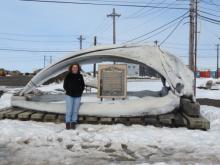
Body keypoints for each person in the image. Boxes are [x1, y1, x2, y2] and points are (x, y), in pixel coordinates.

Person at [63, 63, 85, 130]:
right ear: (71, 68)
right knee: (69, 110)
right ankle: (67, 123)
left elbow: (83, 85)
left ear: (78, 68)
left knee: (75, 110)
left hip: (78, 96)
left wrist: (80, 91)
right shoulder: (68, 76)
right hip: (69, 95)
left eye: (76, 67)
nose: (75, 68)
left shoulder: (80, 76)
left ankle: (73, 123)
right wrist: (69, 91)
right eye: (73, 67)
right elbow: (65, 85)